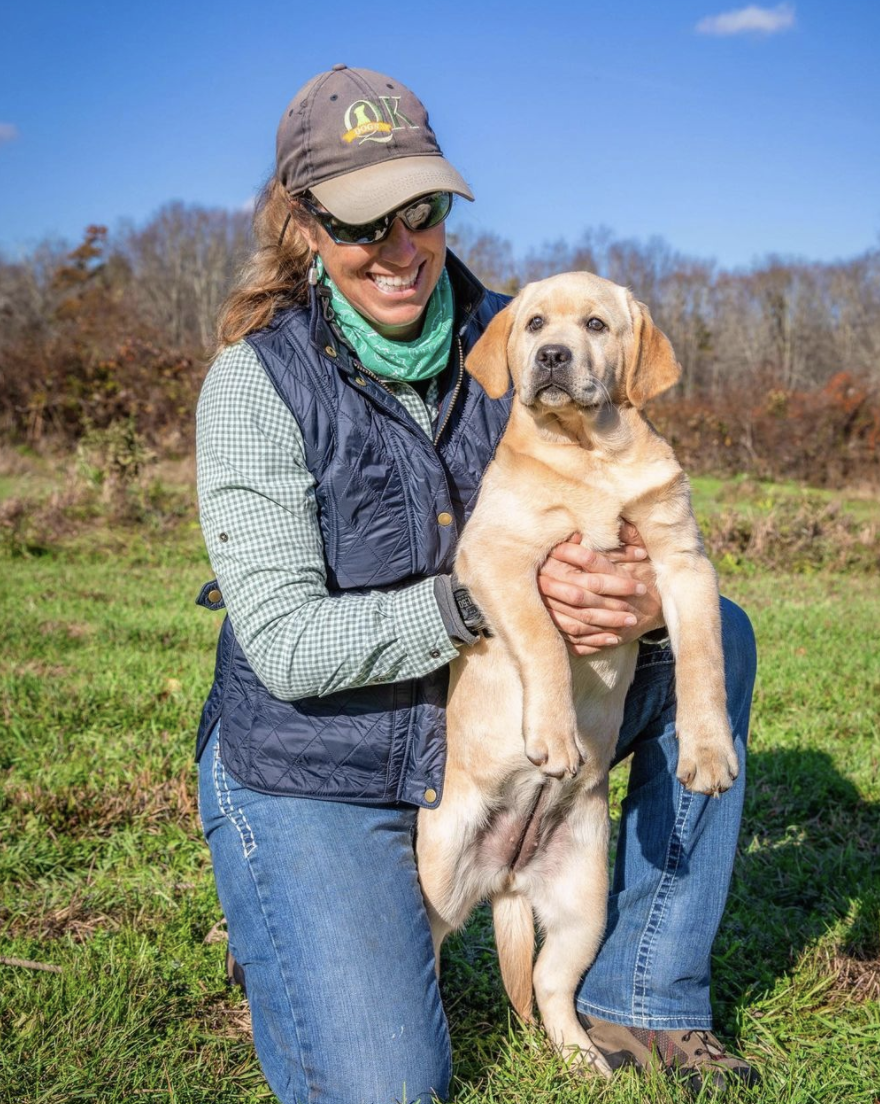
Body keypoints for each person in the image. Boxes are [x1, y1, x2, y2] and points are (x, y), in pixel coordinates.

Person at [195, 65, 758, 1104]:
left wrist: (641, 602)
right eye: (366, 224)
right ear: (305, 224)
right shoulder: (255, 384)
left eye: (423, 211)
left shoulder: (528, 332)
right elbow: (283, 646)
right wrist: (480, 601)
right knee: (387, 1085)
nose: (402, 248)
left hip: (502, 716)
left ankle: (648, 993)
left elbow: (644, 510)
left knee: (712, 621)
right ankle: (297, 924)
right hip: (327, 752)